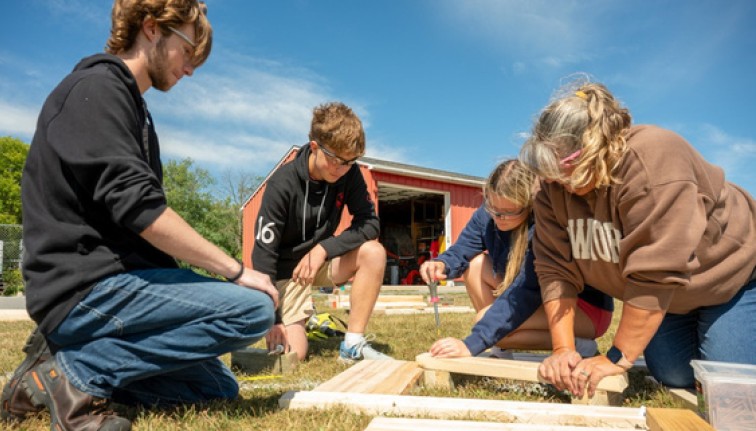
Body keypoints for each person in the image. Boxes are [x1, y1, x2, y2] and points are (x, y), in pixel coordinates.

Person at [1, 1, 277, 430]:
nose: (191, 70)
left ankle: (49, 369)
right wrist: (235, 271)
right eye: (188, 51)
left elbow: (134, 223)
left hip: (119, 282)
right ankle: (78, 374)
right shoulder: (95, 90)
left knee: (215, 388)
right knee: (252, 310)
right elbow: (142, 210)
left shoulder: (133, 107)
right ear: (151, 28)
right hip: (85, 289)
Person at [519, 80, 756, 398]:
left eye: (564, 172)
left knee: (728, 389)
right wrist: (563, 348)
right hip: (672, 300)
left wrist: (617, 357)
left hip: (733, 282)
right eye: (549, 176)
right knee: (673, 373)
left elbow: (656, 269)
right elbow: (554, 269)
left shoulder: (653, 158)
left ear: (592, 147)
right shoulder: (551, 189)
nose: (556, 184)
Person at [424, 159, 613, 359]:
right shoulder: (488, 214)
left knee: (485, 322)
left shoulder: (544, 225)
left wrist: (472, 343)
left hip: (580, 308)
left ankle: (579, 345)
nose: (498, 218)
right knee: (475, 264)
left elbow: (526, 291)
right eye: (493, 209)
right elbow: (463, 248)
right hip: (535, 298)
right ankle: (501, 345)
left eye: (508, 212)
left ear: (528, 205)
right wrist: (442, 263)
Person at [252, 101, 391, 364]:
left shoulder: (348, 174)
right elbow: (263, 256)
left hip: (320, 263)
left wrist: (323, 249)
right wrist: (273, 319)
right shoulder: (282, 184)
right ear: (315, 146)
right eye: (335, 161)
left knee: (374, 252)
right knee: (294, 355)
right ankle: (301, 319)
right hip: (285, 274)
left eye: (350, 162)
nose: (341, 169)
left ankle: (352, 345)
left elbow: (370, 223)